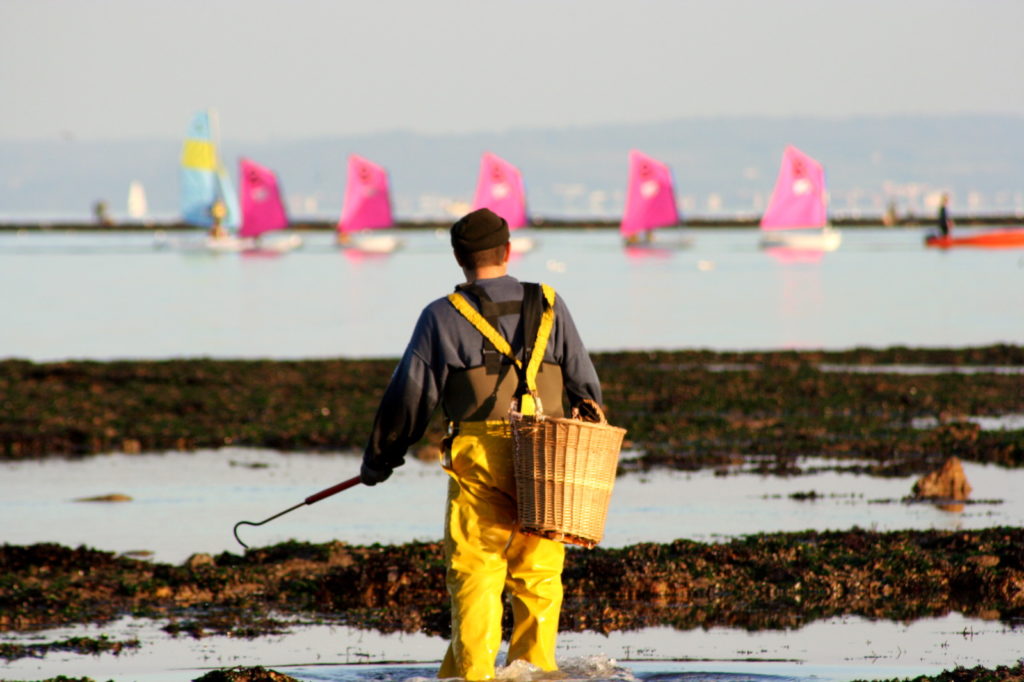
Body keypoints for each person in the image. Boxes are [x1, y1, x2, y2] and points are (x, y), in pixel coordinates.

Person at [358, 207, 603, 680]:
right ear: (509, 250)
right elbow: (586, 389)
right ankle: (536, 672)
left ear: (458, 258)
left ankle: (471, 677)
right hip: (549, 455)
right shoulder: (550, 301)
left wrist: (380, 459)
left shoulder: (440, 315)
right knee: (539, 575)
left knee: (477, 572)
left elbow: (409, 398)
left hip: (479, 458)